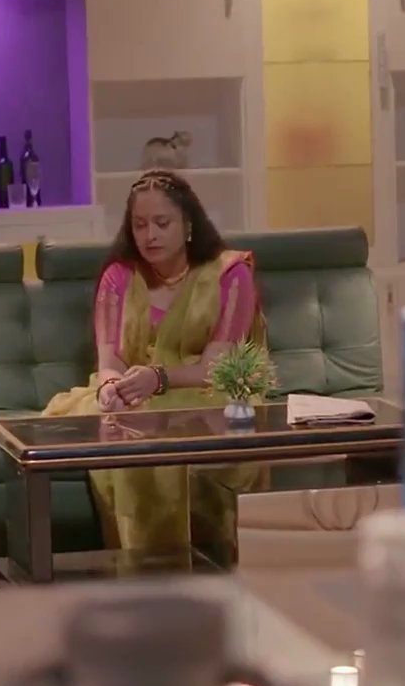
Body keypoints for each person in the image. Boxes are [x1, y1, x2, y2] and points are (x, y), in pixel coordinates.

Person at [42, 171, 265, 552]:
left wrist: (158, 378)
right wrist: (110, 387)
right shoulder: (118, 276)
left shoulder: (230, 274)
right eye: (140, 225)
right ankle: (144, 564)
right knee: (120, 420)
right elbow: (110, 361)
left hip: (206, 390)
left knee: (170, 423)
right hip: (135, 391)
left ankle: (203, 559)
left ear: (188, 224)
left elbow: (217, 368)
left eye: (162, 223)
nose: (150, 236)